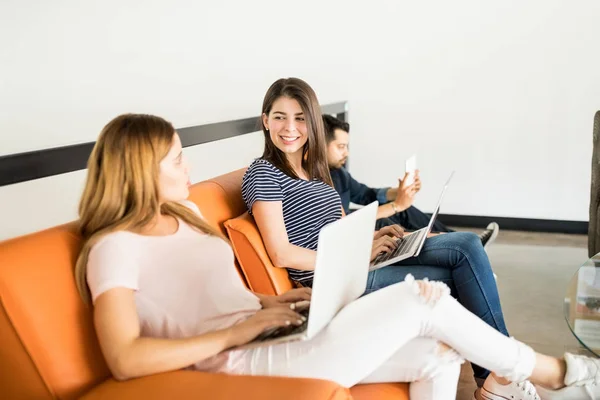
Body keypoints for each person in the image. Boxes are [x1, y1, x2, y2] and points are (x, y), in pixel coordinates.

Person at [76, 112, 598, 400]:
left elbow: (205, 296)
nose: (186, 169)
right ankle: (553, 374)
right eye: (176, 160)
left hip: (272, 330)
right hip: (234, 362)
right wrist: (237, 331)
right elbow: (125, 359)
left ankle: (523, 376)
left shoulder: (184, 218)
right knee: (427, 299)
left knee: (440, 351)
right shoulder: (114, 248)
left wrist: (273, 301)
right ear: (139, 171)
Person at [322, 114, 499, 249]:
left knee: (404, 210)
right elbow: (342, 224)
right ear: (322, 144)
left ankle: (464, 239)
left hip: (351, 225)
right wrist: (397, 205)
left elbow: (365, 194)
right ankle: (448, 245)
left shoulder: (339, 173)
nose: (346, 153)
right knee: (388, 220)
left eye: (347, 147)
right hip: (343, 234)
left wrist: (398, 193)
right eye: (341, 147)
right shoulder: (317, 182)